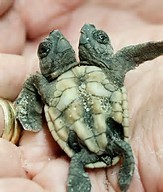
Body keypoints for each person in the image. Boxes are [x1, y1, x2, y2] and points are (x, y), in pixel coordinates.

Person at [0, 0, 163, 191]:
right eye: (44, 50)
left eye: (100, 37)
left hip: (92, 148)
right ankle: (85, 175)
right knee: (107, 152)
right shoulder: (44, 83)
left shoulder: (48, 85)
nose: (55, 36)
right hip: (97, 146)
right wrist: (27, 116)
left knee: (111, 150)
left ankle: (116, 164)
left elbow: (133, 54)